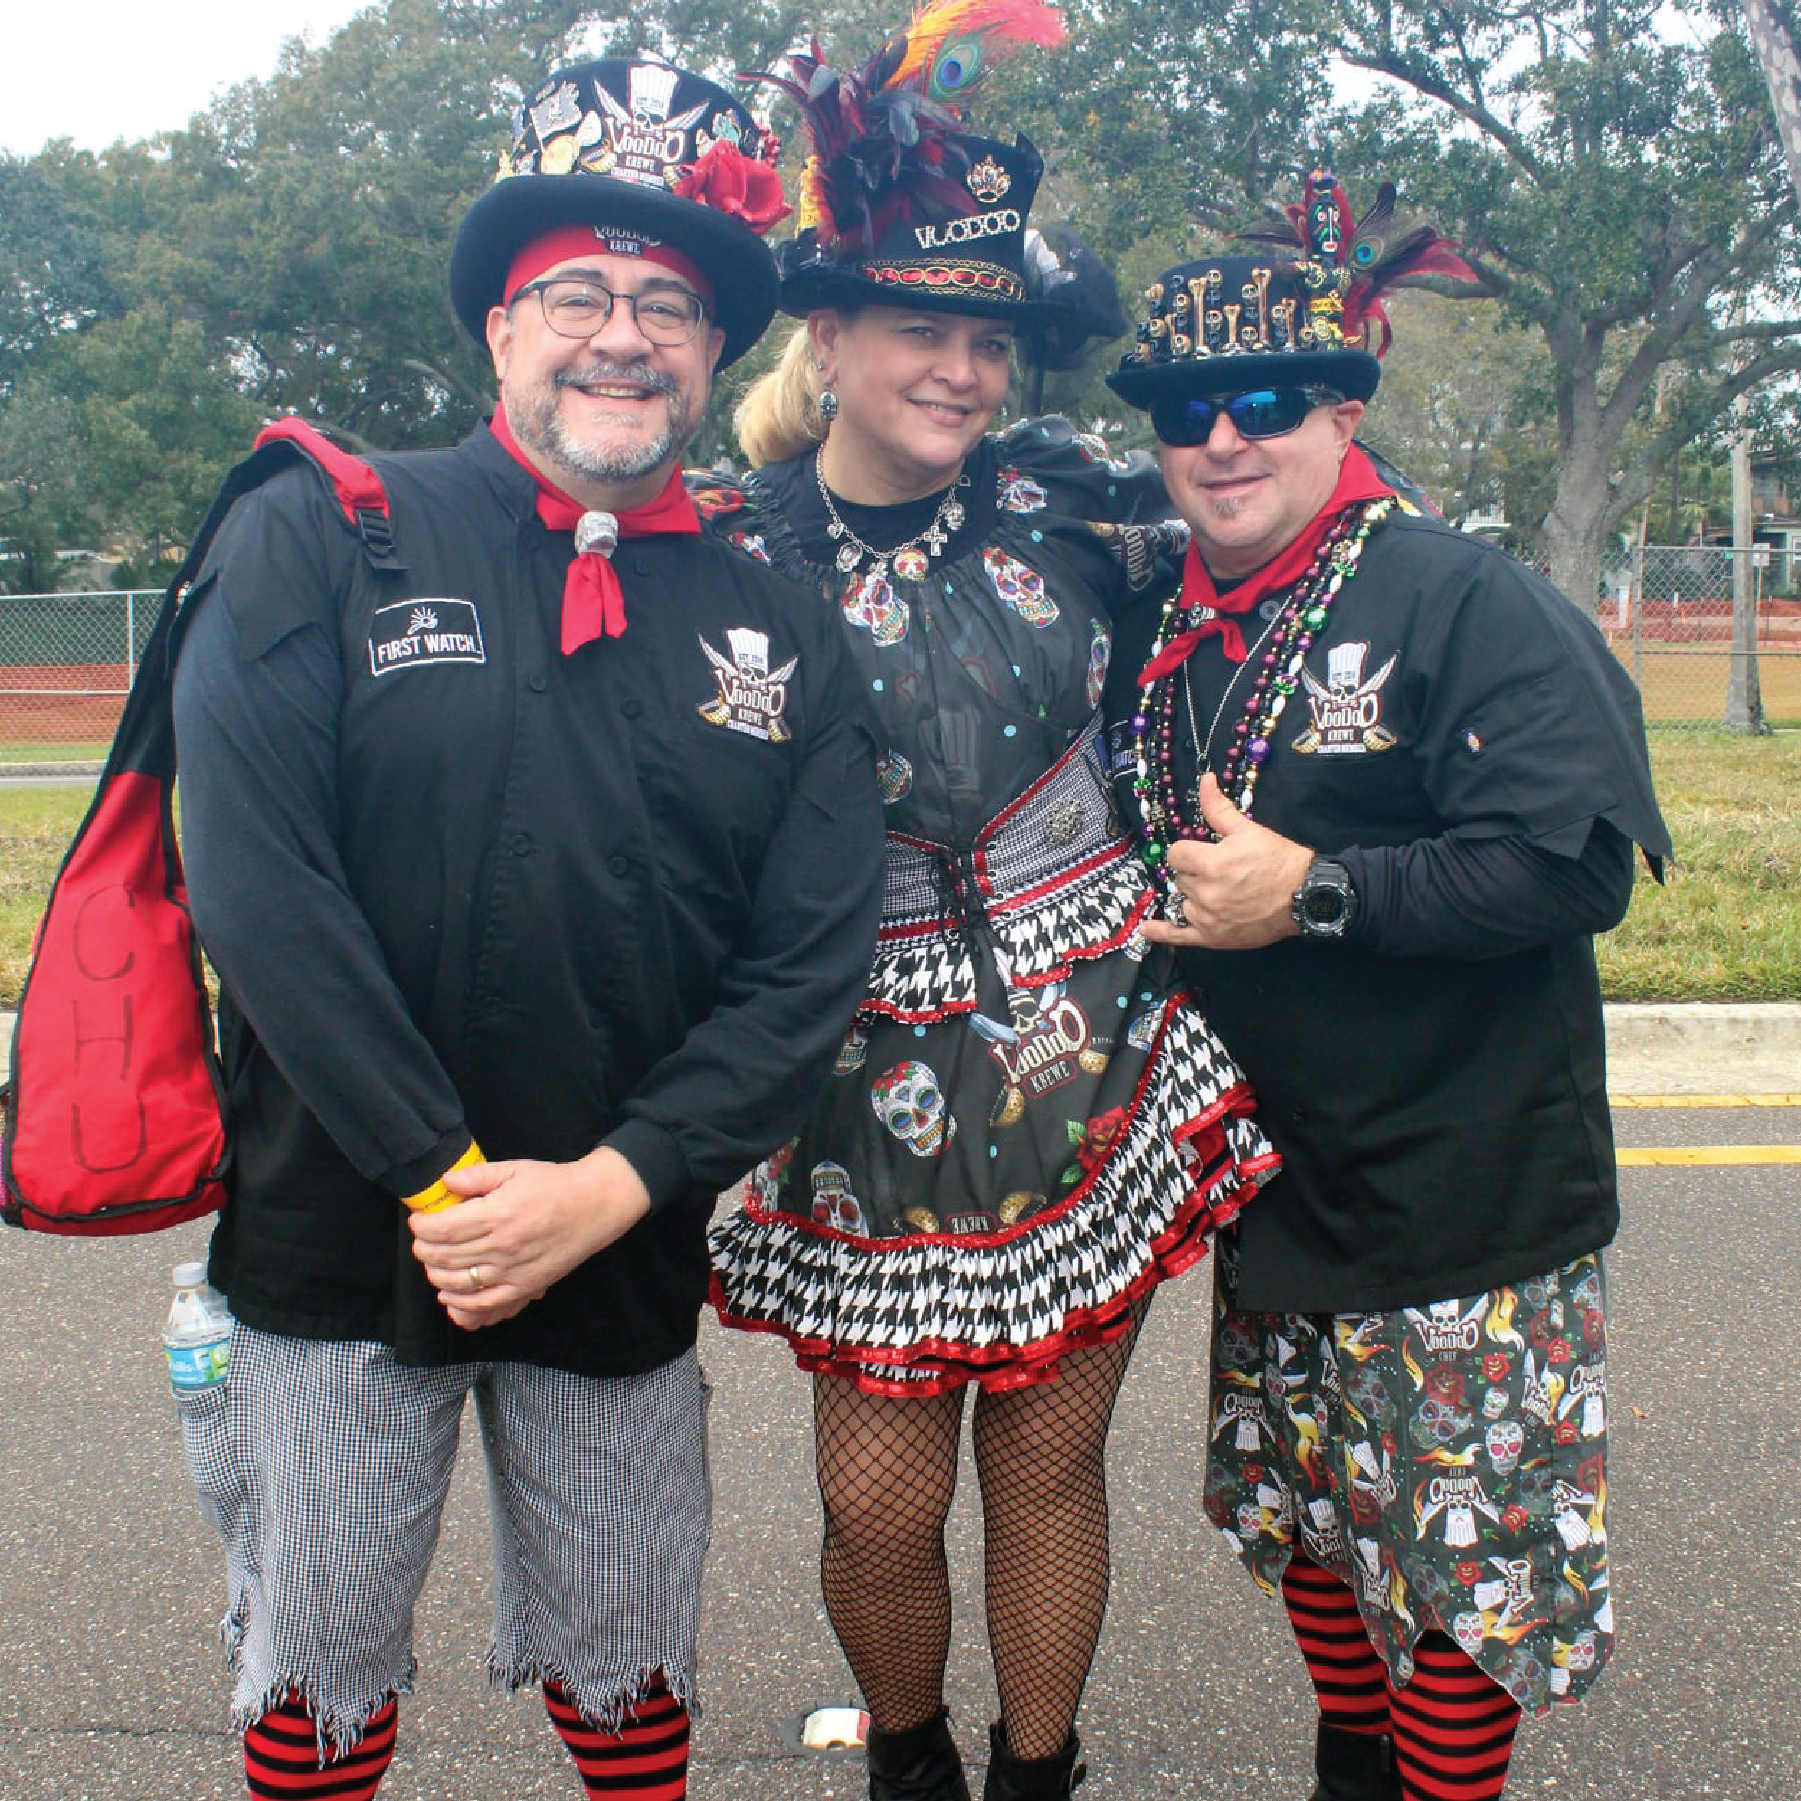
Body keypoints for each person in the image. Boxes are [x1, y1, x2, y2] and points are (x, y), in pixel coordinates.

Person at [168, 57, 884, 1801]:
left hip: (619, 1228)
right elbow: (257, 889)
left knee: (628, 1666)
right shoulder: (322, 531)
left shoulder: (779, 623)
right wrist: (440, 1176)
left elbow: (805, 969)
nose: (621, 335)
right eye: (577, 292)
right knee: (318, 1676)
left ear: (717, 356)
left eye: (668, 304)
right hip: (343, 1225)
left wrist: (616, 1184)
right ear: (500, 328)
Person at [698, 15, 1276, 1800]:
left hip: (1078, 1037)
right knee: (874, 1498)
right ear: (833, 337)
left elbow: (1289, 547)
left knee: (1046, 1463)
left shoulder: (1083, 507)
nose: (956, 368)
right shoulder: (724, 546)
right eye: (918, 329)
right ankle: (910, 1759)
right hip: (845, 1057)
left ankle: (1038, 1773)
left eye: (984, 337)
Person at [1100, 172, 1673, 1801]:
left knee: (1457, 1582)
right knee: (1318, 1528)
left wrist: (1317, 889)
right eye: (1187, 409)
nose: (1223, 438)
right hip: (1276, 1182)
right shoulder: (1174, 616)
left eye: (1266, 400)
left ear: (1342, 404)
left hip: (1461, 1187)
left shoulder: (1462, 595)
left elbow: (1572, 868)